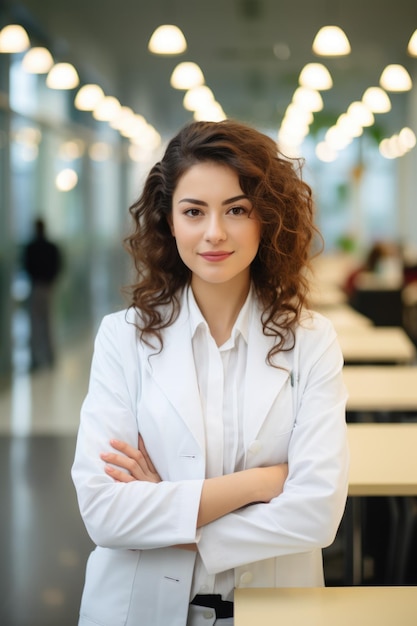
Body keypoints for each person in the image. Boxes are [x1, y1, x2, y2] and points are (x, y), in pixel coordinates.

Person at [72, 119, 349, 626]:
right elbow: (104, 512)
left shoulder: (312, 340)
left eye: (237, 210)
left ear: (266, 220)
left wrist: (168, 515)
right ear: (169, 222)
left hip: (275, 611)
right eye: (194, 211)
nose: (214, 233)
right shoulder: (123, 337)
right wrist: (261, 483)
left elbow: (317, 513)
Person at [23, 217, 62, 369]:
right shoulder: (51, 247)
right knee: (48, 323)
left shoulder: (31, 247)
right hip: (48, 288)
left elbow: (26, 266)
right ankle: (49, 357)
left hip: (37, 287)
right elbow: (58, 265)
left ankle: (36, 359)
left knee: (35, 325)